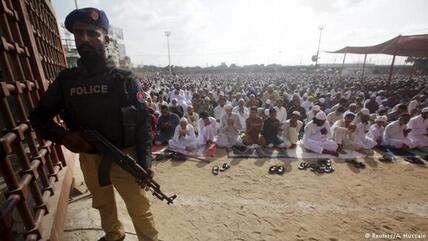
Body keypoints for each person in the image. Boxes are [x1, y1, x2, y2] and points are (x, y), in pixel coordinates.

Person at [29, 8, 158, 241]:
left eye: (92, 33)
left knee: (140, 210)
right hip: (90, 158)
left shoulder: (123, 79)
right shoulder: (67, 80)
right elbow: (38, 117)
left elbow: (143, 124)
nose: (84, 39)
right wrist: (64, 137)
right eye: (79, 34)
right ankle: (114, 235)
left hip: (124, 155)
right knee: (102, 204)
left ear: (105, 38)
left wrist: (146, 161)